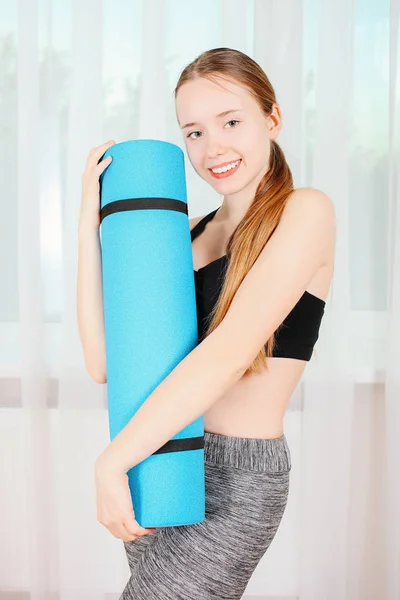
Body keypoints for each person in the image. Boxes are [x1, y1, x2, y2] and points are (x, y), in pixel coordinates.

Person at [77, 47, 336, 599]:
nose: (212, 147)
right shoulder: (185, 234)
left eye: (231, 122)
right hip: (159, 460)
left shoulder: (305, 211)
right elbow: (103, 362)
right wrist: (87, 220)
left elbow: (228, 352)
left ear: (273, 117)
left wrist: (109, 463)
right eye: (192, 132)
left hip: (232, 481)